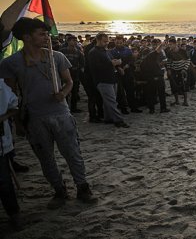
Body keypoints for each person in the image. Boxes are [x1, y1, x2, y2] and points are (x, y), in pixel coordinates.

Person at [0, 17, 97, 209]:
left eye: (46, 33)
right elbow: (11, 95)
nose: (46, 37)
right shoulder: (12, 63)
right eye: (41, 34)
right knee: (46, 158)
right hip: (34, 118)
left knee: (72, 153)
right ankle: (59, 190)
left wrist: (63, 93)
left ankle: (82, 187)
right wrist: (19, 123)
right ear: (27, 37)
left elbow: (69, 82)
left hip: (61, 114)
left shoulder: (57, 57)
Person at [88, 33, 130, 128]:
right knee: (111, 101)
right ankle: (118, 120)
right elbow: (95, 68)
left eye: (107, 41)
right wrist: (112, 64)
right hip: (102, 80)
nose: (106, 43)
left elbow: (111, 61)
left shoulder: (105, 51)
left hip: (112, 78)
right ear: (98, 40)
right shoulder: (93, 52)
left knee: (109, 101)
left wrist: (118, 66)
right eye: (104, 41)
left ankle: (108, 118)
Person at [0, 79, 21, 230]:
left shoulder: (1, 85)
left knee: (4, 182)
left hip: (0, 143)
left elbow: (14, 106)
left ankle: (14, 214)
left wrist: (2, 118)